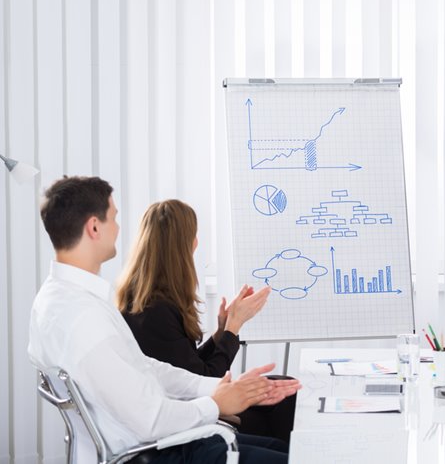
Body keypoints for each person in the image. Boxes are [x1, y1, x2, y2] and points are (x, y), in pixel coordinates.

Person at [28, 176, 301, 464]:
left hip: (160, 441)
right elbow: (151, 418)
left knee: (284, 448)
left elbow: (147, 368)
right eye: (114, 218)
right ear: (94, 227)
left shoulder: (61, 300)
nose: (119, 228)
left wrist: (216, 389)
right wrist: (216, 403)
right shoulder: (83, 318)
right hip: (157, 451)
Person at [117, 199, 296, 443]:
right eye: (194, 235)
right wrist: (233, 328)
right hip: (190, 422)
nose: (197, 242)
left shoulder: (148, 299)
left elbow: (187, 368)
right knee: (283, 404)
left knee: (283, 387)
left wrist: (221, 332)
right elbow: (205, 379)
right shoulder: (154, 311)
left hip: (191, 403)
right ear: (181, 247)